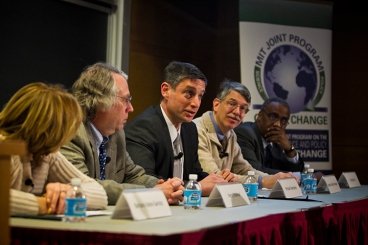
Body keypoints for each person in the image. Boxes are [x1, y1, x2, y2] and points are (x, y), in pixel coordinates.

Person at [60, 62, 183, 205]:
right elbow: (84, 187)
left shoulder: (116, 134)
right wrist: (152, 193)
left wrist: (167, 187)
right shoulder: (70, 133)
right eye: (126, 100)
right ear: (102, 101)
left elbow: (132, 174)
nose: (131, 108)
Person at [125, 61, 237, 197]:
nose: (196, 103)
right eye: (189, 93)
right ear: (165, 90)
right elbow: (146, 183)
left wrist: (219, 180)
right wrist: (199, 187)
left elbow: (195, 174)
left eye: (200, 96)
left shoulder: (189, 128)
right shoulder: (143, 127)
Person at [0, 82, 107, 216]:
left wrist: (69, 191)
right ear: (49, 131)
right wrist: (47, 204)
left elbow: (100, 194)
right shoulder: (5, 148)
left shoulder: (46, 154)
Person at [193, 80, 298, 189]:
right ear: (216, 104)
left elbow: (244, 169)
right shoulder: (196, 129)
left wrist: (273, 179)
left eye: (243, 108)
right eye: (232, 104)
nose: (237, 112)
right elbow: (214, 176)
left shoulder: (231, 134)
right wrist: (262, 182)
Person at [234, 97, 304, 175]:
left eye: (283, 121)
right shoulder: (245, 133)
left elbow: (291, 170)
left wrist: (289, 149)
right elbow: (254, 171)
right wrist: (298, 176)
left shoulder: (277, 141)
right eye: (273, 117)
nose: (278, 124)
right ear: (260, 115)